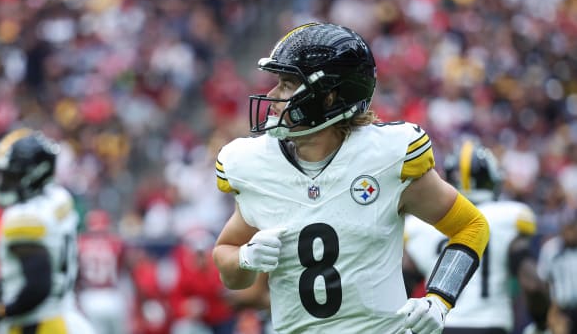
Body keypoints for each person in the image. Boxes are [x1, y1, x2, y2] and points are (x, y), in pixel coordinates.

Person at [211, 22, 490, 334]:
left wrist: (439, 299)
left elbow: (471, 226)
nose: (272, 95)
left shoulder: (386, 158)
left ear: (328, 98)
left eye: (288, 84)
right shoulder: (256, 166)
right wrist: (246, 259)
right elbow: (229, 267)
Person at [404, 140, 549, 334]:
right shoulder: (508, 217)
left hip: (438, 325)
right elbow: (533, 285)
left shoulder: (420, 224)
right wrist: (541, 324)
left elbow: (403, 283)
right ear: (493, 180)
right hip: (491, 325)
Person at [0, 128, 95, 334]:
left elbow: (38, 286)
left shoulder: (22, 218)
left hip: (40, 325)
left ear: (33, 174)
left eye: (9, 176)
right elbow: (52, 263)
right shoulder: (59, 198)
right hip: (67, 318)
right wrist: (7, 284)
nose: (1, 183)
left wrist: (1, 311)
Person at [77, 209, 129, 334]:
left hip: (89, 297)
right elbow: (123, 267)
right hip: (113, 297)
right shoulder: (116, 243)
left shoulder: (80, 243)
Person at [537, 209, 577, 334]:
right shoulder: (551, 248)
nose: (569, 231)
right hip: (560, 310)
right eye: (566, 226)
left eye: (572, 226)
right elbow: (544, 281)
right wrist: (551, 312)